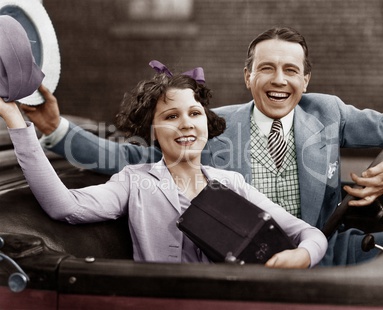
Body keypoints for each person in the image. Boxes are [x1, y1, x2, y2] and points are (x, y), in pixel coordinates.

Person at [21, 27, 383, 266]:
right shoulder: (207, 123)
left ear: (306, 79)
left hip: (326, 249)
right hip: (243, 263)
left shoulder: (330, 111)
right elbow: (128, 156)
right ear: (248, 76)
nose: (279, 80)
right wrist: (56, 129)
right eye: (266, 68)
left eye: (290, 70)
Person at [0, 61, 327, 267]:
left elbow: (309, 233)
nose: (186, 124)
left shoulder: (231, 183)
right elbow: (64, 206)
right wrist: (17, 124)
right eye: (171, 116)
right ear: (152, 131)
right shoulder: (135, 181)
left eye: (194, 113)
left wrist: (303, 254)